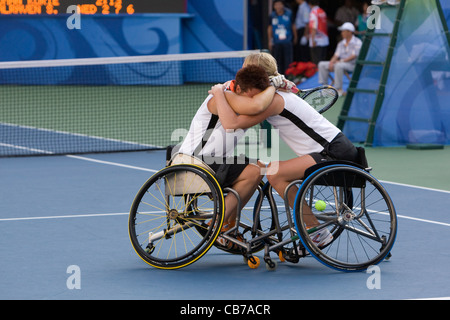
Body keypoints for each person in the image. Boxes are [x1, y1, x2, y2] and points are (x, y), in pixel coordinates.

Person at [210, 52, 360, 247]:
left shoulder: (274, 101)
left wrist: (219, 93)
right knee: (271, 169)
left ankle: (316, 230)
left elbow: (233, 123)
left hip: (332, 151)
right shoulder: (277, 94)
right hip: (336, 148)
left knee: (274, 173)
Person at [173, 65, 276, 240]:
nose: (254, 100)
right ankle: (217, 225)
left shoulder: (238, 100)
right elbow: (255, 106)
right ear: (237, 88)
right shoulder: (222, 98)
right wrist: (274, 87)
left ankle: (227, 225)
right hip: (193, 163)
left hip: (210, 164)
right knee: (253, 171)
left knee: (260, 165)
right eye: (250, 95)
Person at [318, 22, 362, 96]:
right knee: (321, 64)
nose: (342, 33)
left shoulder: (358, 42)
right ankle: (324, 88)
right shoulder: (341, 43)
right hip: (341, 63)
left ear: (349, 32)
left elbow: (354, 55)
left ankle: (339, 89)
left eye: (343, 31)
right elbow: (336, 55)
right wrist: (331, 63)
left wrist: (340, 61)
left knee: (338, 65)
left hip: (353, 65)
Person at [268, 0, 298, 74]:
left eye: (280, 4)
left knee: (288, 60)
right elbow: (269, 28)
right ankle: (278, 77)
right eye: (276, 5)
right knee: (277, 60)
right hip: (277, 41)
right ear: (274, 6)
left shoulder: (289, 14)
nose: (278, 6)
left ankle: (289, 77)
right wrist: (270, 40)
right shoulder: (272, 15)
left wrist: (295, 37)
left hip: (287, 41)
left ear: (283, 5)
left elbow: (293, 25)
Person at [308, 0, 329, 65]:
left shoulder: (313, 12)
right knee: (322, 62)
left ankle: (318, 75)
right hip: (324, 39)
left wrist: (313, 40)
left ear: (309, 4)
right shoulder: (322, 11)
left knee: (316, 63)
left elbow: (313, 27)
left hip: (317, 41)